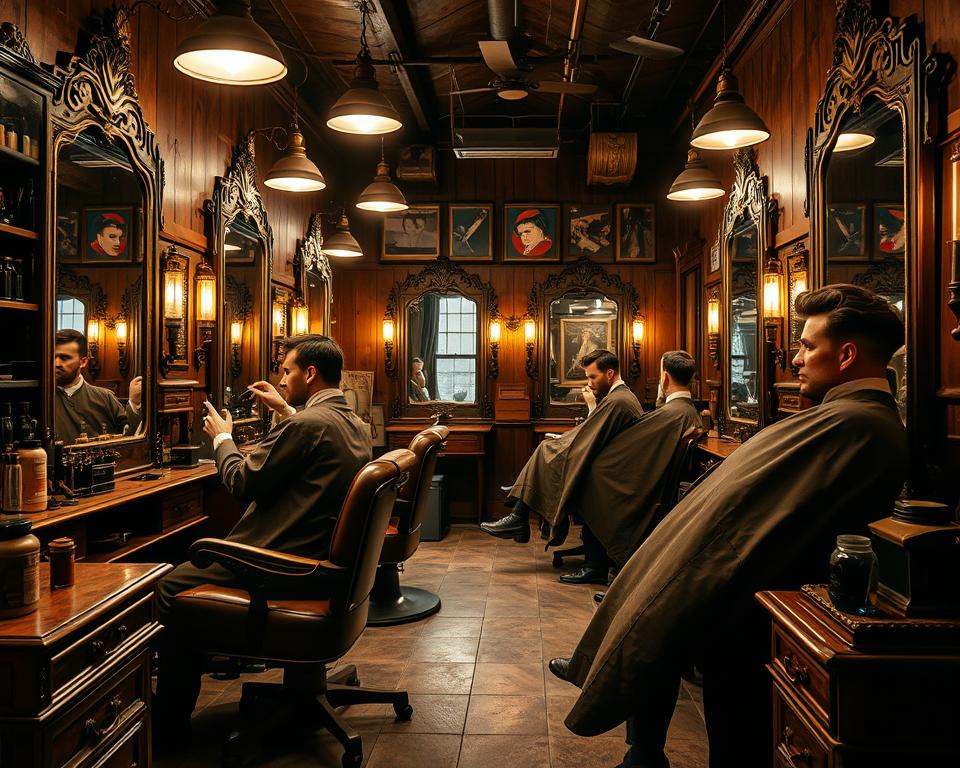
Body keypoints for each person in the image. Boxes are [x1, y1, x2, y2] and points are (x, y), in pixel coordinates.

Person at [549, 284, 907, 768]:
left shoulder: (854, 425)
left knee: (734, 737)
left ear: (845, 355)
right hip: (751, 604)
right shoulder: (846, 420)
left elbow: (752, 524)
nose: (796, 359)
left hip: (755, 614)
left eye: (807, 346)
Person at [153, 334, 372, 737]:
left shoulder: (306, 425)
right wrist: (286, 410)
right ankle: (217, 652)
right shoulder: (353, 423)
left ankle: (167, 721)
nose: (282, 377)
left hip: (283, 562)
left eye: (287, 370)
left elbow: (241, 482)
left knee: (167, 585)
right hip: (323, 559)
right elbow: (313, 440)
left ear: (310, 373)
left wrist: (223, 438)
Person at [480, 350, 644, 552]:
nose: (590, 382)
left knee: (546, 450)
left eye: (593, 377)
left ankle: (521, 500)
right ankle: (521, 500)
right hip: (606, 463)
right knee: (548, 448)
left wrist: (571, 435)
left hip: (607, 471)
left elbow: (592, 437)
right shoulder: (619, 397)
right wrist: (567, 438)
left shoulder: (618, 401)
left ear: (610, 374)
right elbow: (594, 433)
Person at [563, 351, 703, 583]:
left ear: (665, 379)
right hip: (655, 482)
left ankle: (594, 564)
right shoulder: (683, 412)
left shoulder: (671, 414)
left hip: (643, 490)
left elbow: (625, 444)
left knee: (588, 479)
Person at [54, 329, 141, 444]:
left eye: (64, 358)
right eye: (53, 357)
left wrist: (134, 403)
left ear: (83, 362)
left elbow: (130, 437)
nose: (56, 363)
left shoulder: (105, 397)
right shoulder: (40, 398)